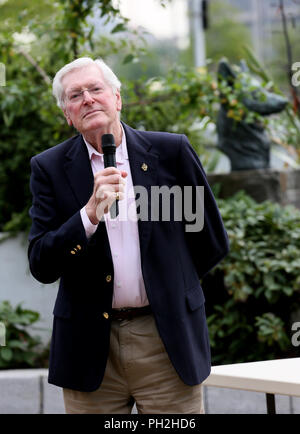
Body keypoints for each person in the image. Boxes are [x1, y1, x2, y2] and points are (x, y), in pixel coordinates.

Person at [28, 57, 229, 414]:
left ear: (117, 98)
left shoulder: (171, 152)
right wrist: (88, 214)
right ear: (67, 115)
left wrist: (172, 289)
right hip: (89, 349)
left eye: (95, 89)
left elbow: (210, 240)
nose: (87, 99)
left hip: (165, 341)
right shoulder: (49, 168)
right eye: (75, 95)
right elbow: (42, 262)